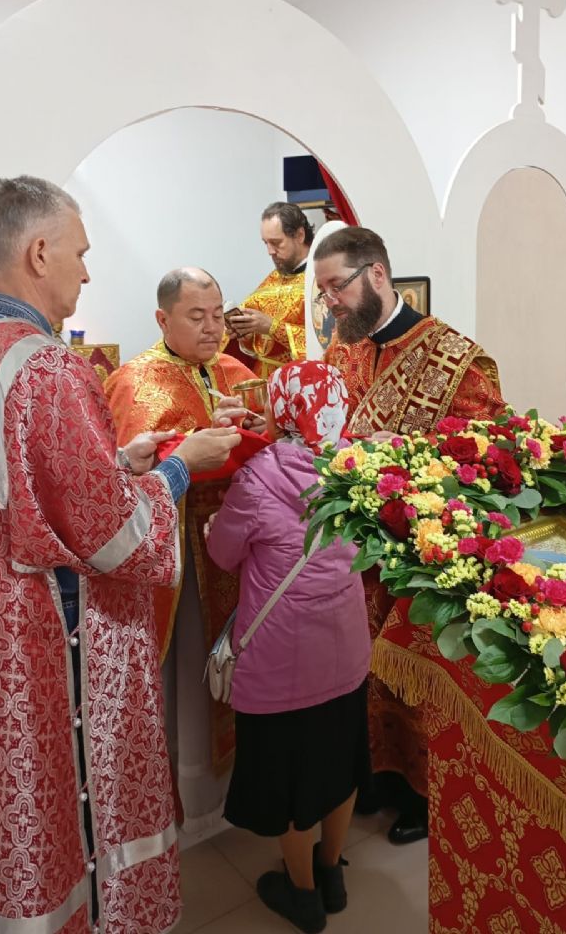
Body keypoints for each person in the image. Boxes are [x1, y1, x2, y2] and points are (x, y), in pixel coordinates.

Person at [0, 175, 240, 933]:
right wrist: (179, 467)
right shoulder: (47, 364)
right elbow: (112, 536)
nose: (88, 272)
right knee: (77, 826)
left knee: (23, 823)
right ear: (39, 252)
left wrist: (120, 463)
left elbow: (23, 492)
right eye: (80, 252)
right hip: (53, 642)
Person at [315, 226, 505, 845]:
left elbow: (489, 461)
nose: (330, 304)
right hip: (351, 554)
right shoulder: (342, 350)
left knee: (417, 679)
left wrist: (408, 452)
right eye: (322, 292)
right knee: (358, 670)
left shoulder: (457, 359)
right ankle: (372, 778)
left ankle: (425, 794)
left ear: (376, 274)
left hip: (419, 557)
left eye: (336, 288)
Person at [206, 361, 371, 934]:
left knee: (293, 780)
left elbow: (224, 554)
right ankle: (332, 873)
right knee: (341, 763)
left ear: (281, 409)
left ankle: (302, 895)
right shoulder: (358, 465)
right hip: (346, 648)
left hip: (282, 660)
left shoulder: (258, 478)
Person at [104, 266, 264, 831]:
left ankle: (240, 787)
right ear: (162, 319)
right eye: (196, 317)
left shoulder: (235, 371)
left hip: (241, 551)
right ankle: (191, 797)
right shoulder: (134, 380)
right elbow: (123, 476)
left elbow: (273, 443)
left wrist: (257, 426)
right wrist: (190, 447)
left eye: (217, 314)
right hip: (182, 555)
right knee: (190, 670)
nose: (212, 328)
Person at [225, 201, 311, 378]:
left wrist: (273, 328)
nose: (270, 251)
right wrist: (246, 335)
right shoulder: (271, 280)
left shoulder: (321, 280)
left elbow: (328, 342)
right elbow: (258, 347)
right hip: (265, 382)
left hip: (303, 380)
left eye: (276, 243)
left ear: (300, 235)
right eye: (266, 243)